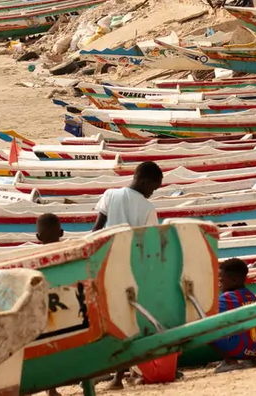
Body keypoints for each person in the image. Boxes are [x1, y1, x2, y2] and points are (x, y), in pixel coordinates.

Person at [92, 161, 164, 391]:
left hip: (106, 265)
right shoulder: (146, 208)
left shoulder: (109, 195)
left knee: (108, 320)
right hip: (133, 269)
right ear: (144, 181)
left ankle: (112, 372)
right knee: (129, 321)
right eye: (154, 187)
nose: (153, 192)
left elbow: (96, 231)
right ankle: (121, 376)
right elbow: (151, 245)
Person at [210, 258, 256, 373]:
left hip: (242, 349)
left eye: (221, 280)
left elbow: (207, 316)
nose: (219, 284)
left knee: (206, 329)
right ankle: (250, 360)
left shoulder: (227, 298)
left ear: (233, 280)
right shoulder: (251, 295)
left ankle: (230, 362)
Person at [92, 161, 164, 232]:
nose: (152, 193)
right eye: (153, 189)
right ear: (146, 183)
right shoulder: (148, 208)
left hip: (111, 243)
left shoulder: (110, 194)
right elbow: (152, 237)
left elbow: (97, 229)